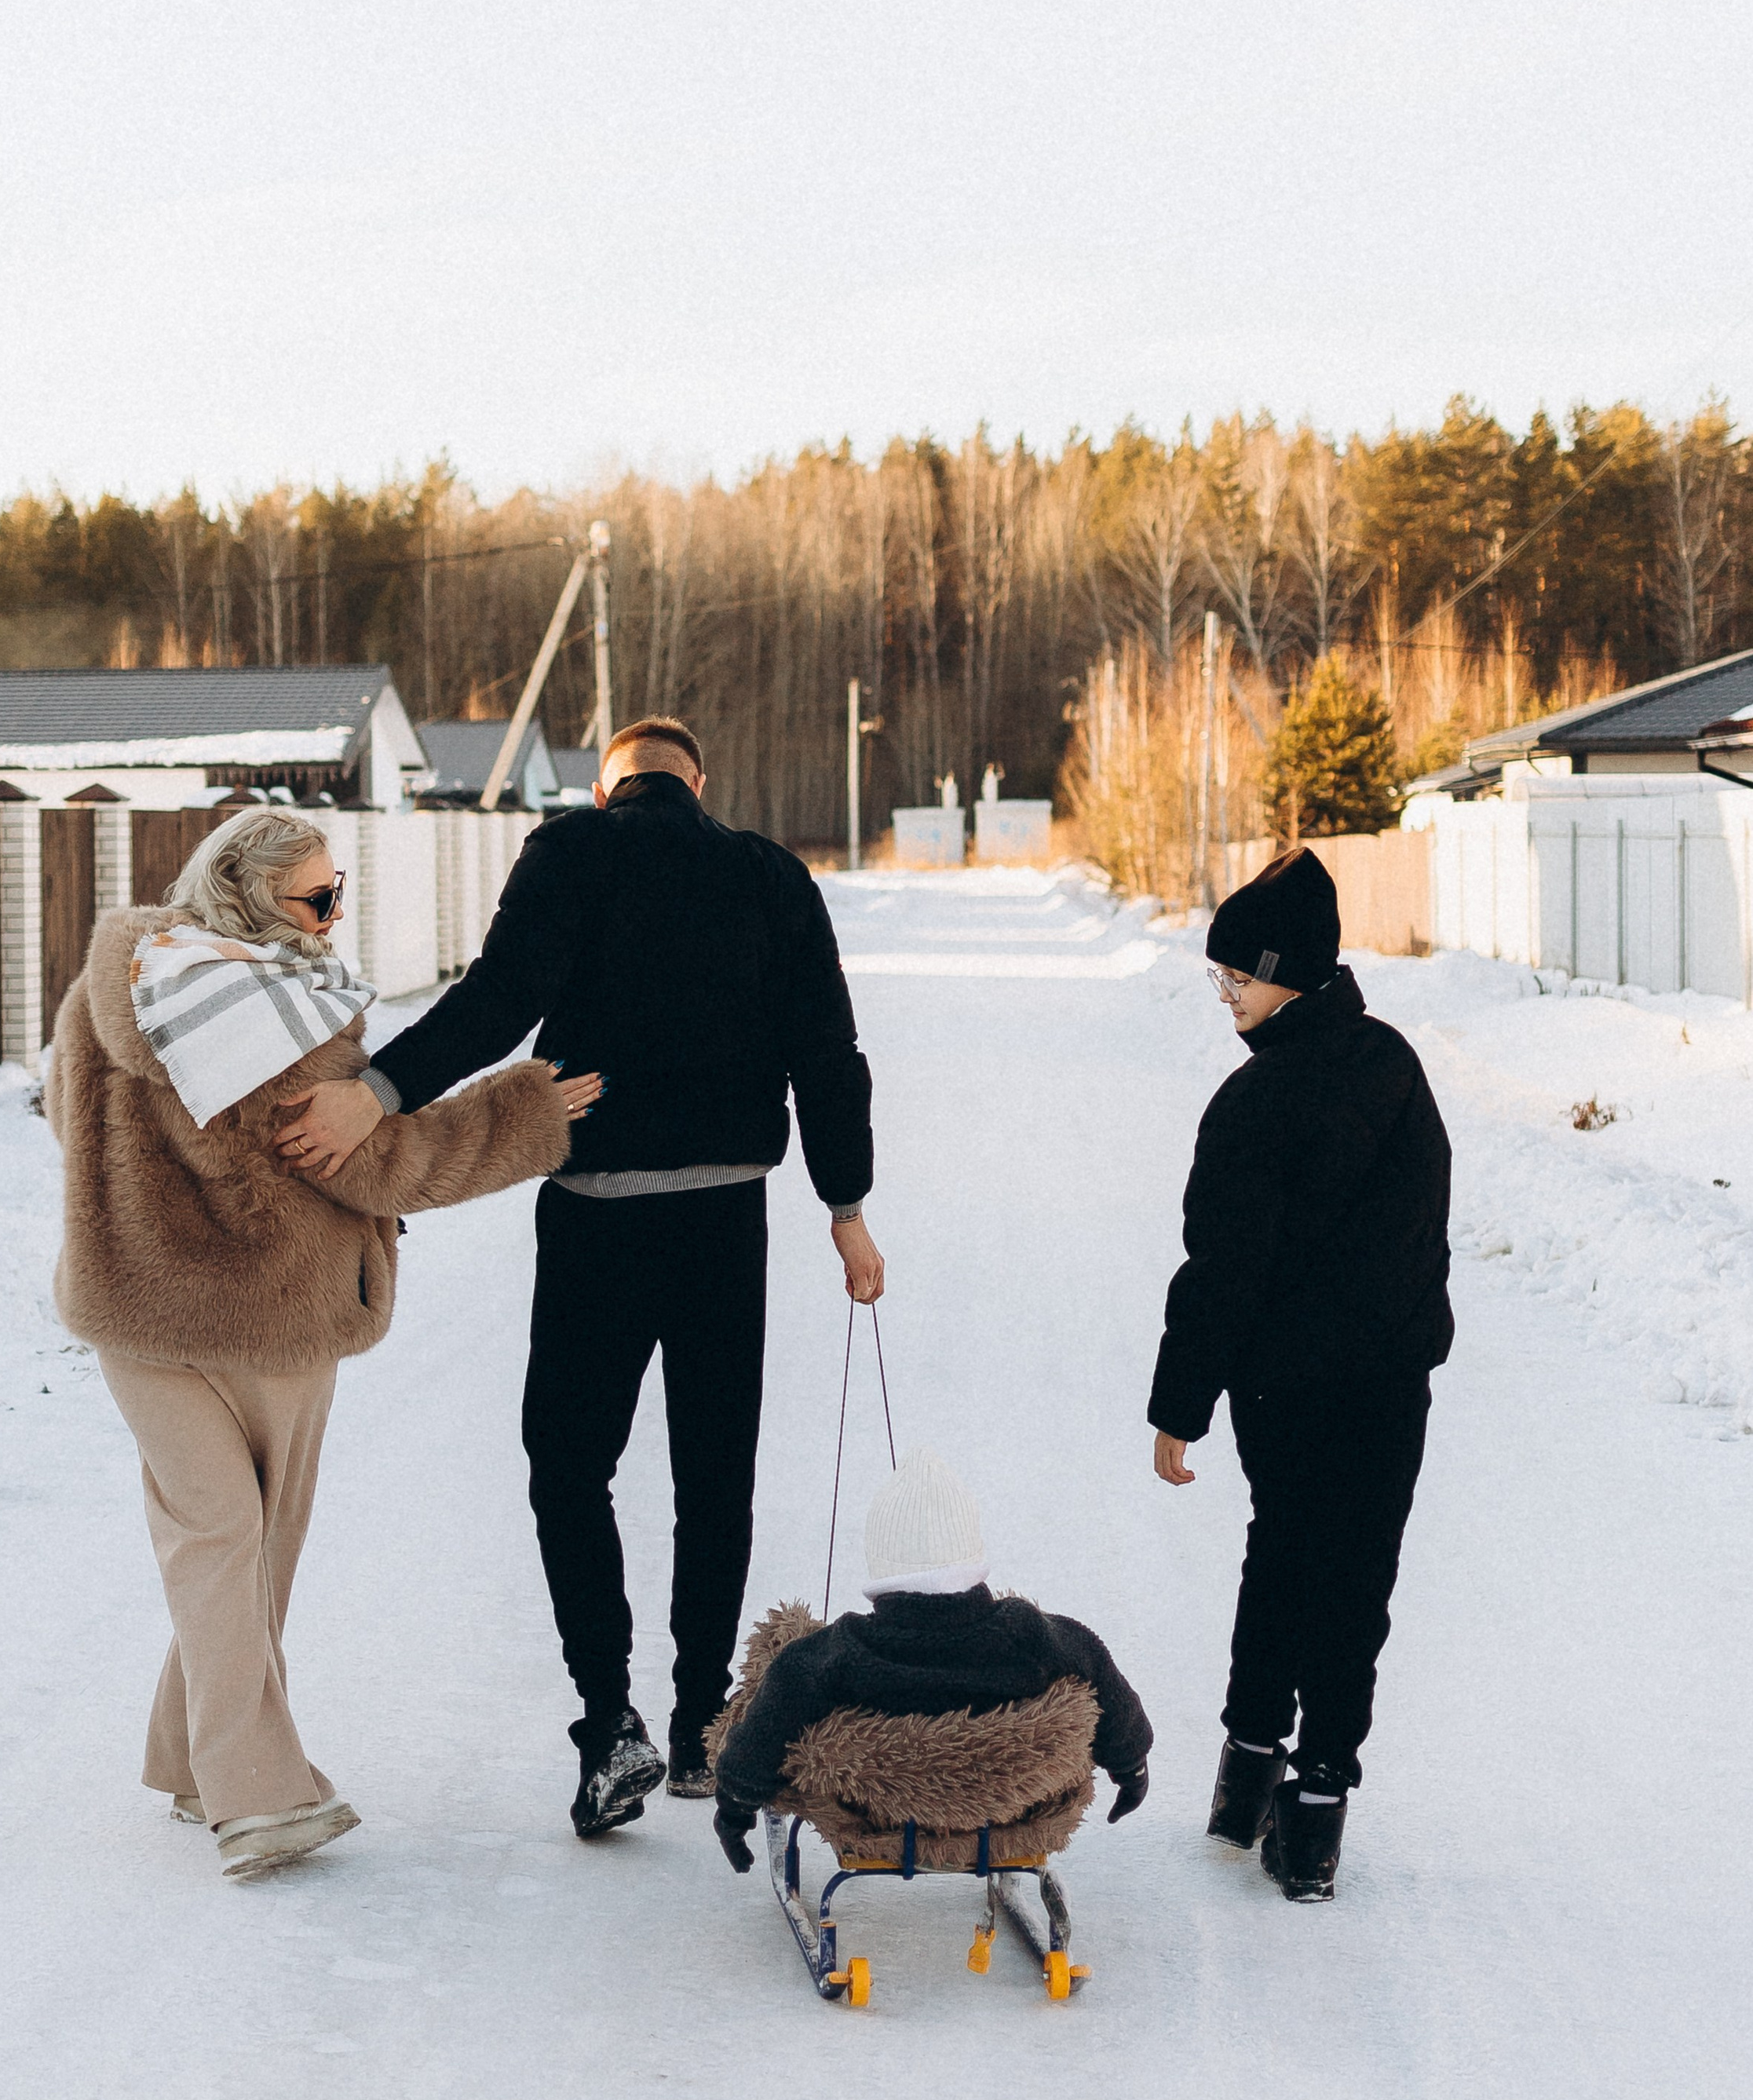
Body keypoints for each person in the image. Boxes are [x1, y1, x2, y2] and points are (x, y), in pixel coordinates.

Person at [276, 715, 883, 1839]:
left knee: (569, 1468)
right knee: (714, 1476)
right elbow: (827, 1050)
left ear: (609, 788)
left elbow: (500, 998)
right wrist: (847, 1211)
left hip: (597, 1222)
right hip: (725, 1220)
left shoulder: (574, 851)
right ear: (699, 782)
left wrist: (383, 1089)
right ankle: (708, 1725)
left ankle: (611, 1725)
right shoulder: (770, 874)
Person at [45, 805, 591, 1881]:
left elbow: (64, 1112)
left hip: (139, 1323)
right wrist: (524, 1114)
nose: (336, 916)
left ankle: (192, 1761)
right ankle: (260, 1800)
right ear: (250, 897)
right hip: (276, 1325)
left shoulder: (119, 978)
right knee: (241, 1547)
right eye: (318, 899)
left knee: (220, 1547)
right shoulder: (281, 1021)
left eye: (339, 892)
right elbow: (384, 1164)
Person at [1148, 848, 1452, 1901]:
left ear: (1286, 974)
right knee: (1356, 1579)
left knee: (1281, 1560)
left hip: (1286, 1391)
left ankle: (1246, 1775)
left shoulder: (1258, 1100)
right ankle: (1315, 1808)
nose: (1226, 995)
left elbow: (1221, 1272)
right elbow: (1425, 1230)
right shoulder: (1394, 1065)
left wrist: (1180, 1405)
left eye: (1236, 977)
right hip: (1387, 1385)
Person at [708, 1450, 1152, 1867]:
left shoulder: (842, 1651)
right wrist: (1130, 1764)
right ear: (973, 1553)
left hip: (881, 1818)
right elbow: (1098, 1668)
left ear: (880, 1563)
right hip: (1005, 1815)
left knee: (777, 1666)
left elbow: (774, 1713)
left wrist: (735, 1805)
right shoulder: (1029, 1636)